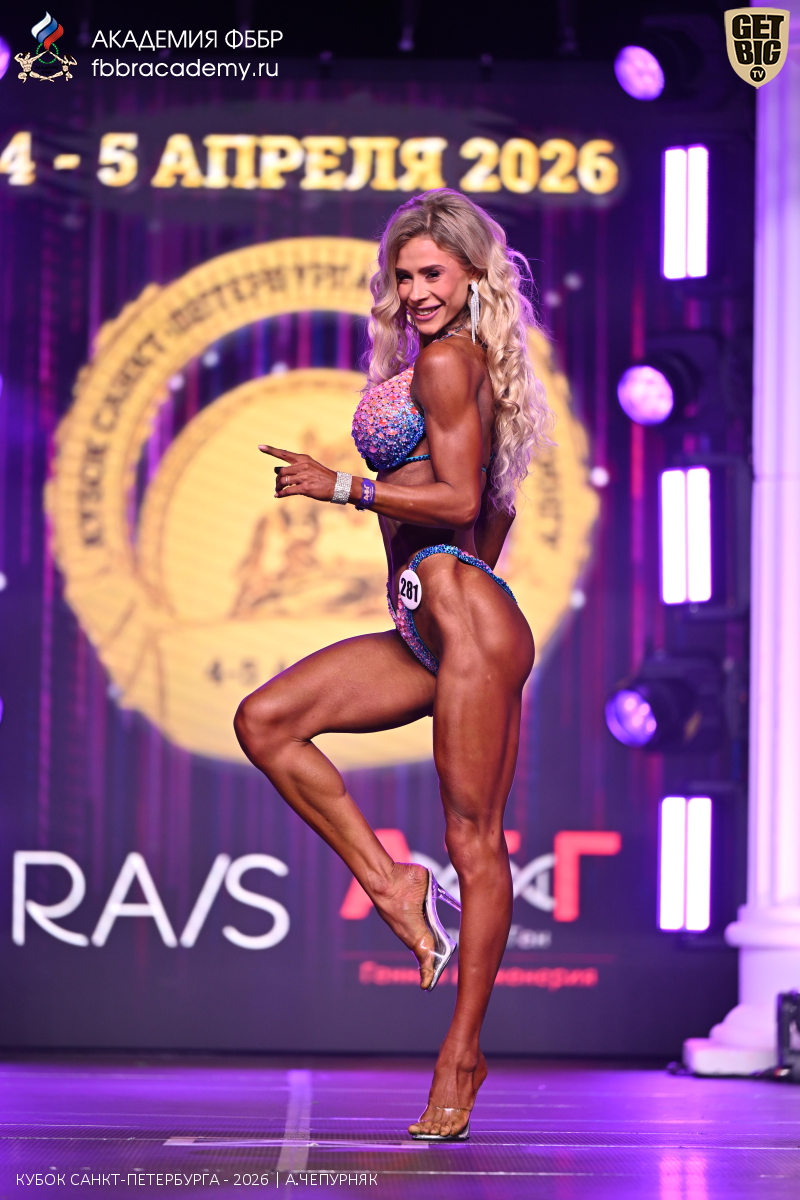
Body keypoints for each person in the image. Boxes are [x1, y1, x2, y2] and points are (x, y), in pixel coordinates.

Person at [234, 189, 553, 1141]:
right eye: (404, 275)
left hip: (465, 624)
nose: (416, 291)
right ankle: (390, 884)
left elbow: (460, 502)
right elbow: (489, 506)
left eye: (433, 273)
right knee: (266, 722)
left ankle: (462, 1055)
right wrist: (431, 587)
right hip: (427, 623)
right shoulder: (446, 360)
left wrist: (343, 486)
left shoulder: (452, 360)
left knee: (474, 839)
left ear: (472, 274)